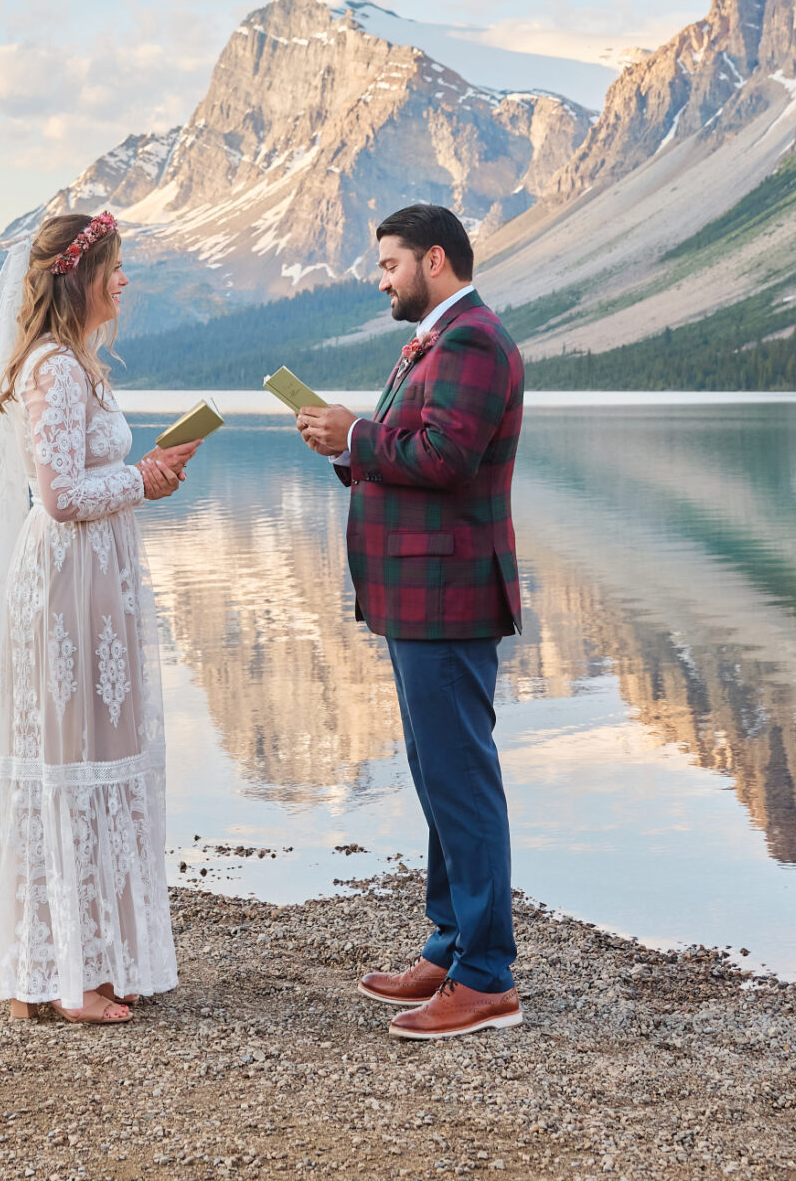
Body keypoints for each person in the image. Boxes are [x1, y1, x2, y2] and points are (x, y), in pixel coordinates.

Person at [0, 210, 200, 1024]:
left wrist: (142, 473)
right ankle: (59, 980)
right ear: (80, 276)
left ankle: (89, 962)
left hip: (100, 581)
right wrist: (142, 484)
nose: (126, 281)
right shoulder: (55, 369)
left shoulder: (82, 366)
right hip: (67, 584)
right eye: (116, 268)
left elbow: (84, 477)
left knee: (100, 754)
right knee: (67, 762)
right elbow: (57, 500)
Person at [295, 202, 524, 1042]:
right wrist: (349, 446)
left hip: (448, 595)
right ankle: (450, 945)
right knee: (435, 774)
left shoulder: (470, 339)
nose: (378, 277)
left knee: (461, 779)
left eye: (388, 263)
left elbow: (445, 456)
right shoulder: (437, 338)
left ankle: (488, 978)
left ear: (434, 259)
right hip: (419, 597)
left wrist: (357, 434)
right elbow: (411, 446)